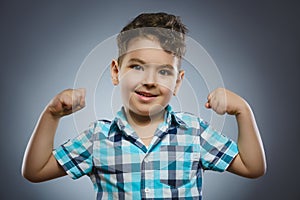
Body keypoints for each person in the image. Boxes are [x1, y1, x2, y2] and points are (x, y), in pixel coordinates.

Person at [22, 12, 266, 199]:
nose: (149, 81)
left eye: (163, 71)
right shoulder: (97, 138)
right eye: (137, 67)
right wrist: (51, 115)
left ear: (178, 82)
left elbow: (252, 167)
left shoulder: (194, 132)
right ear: (116, 72)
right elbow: (36, 171)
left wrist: (243, 111)